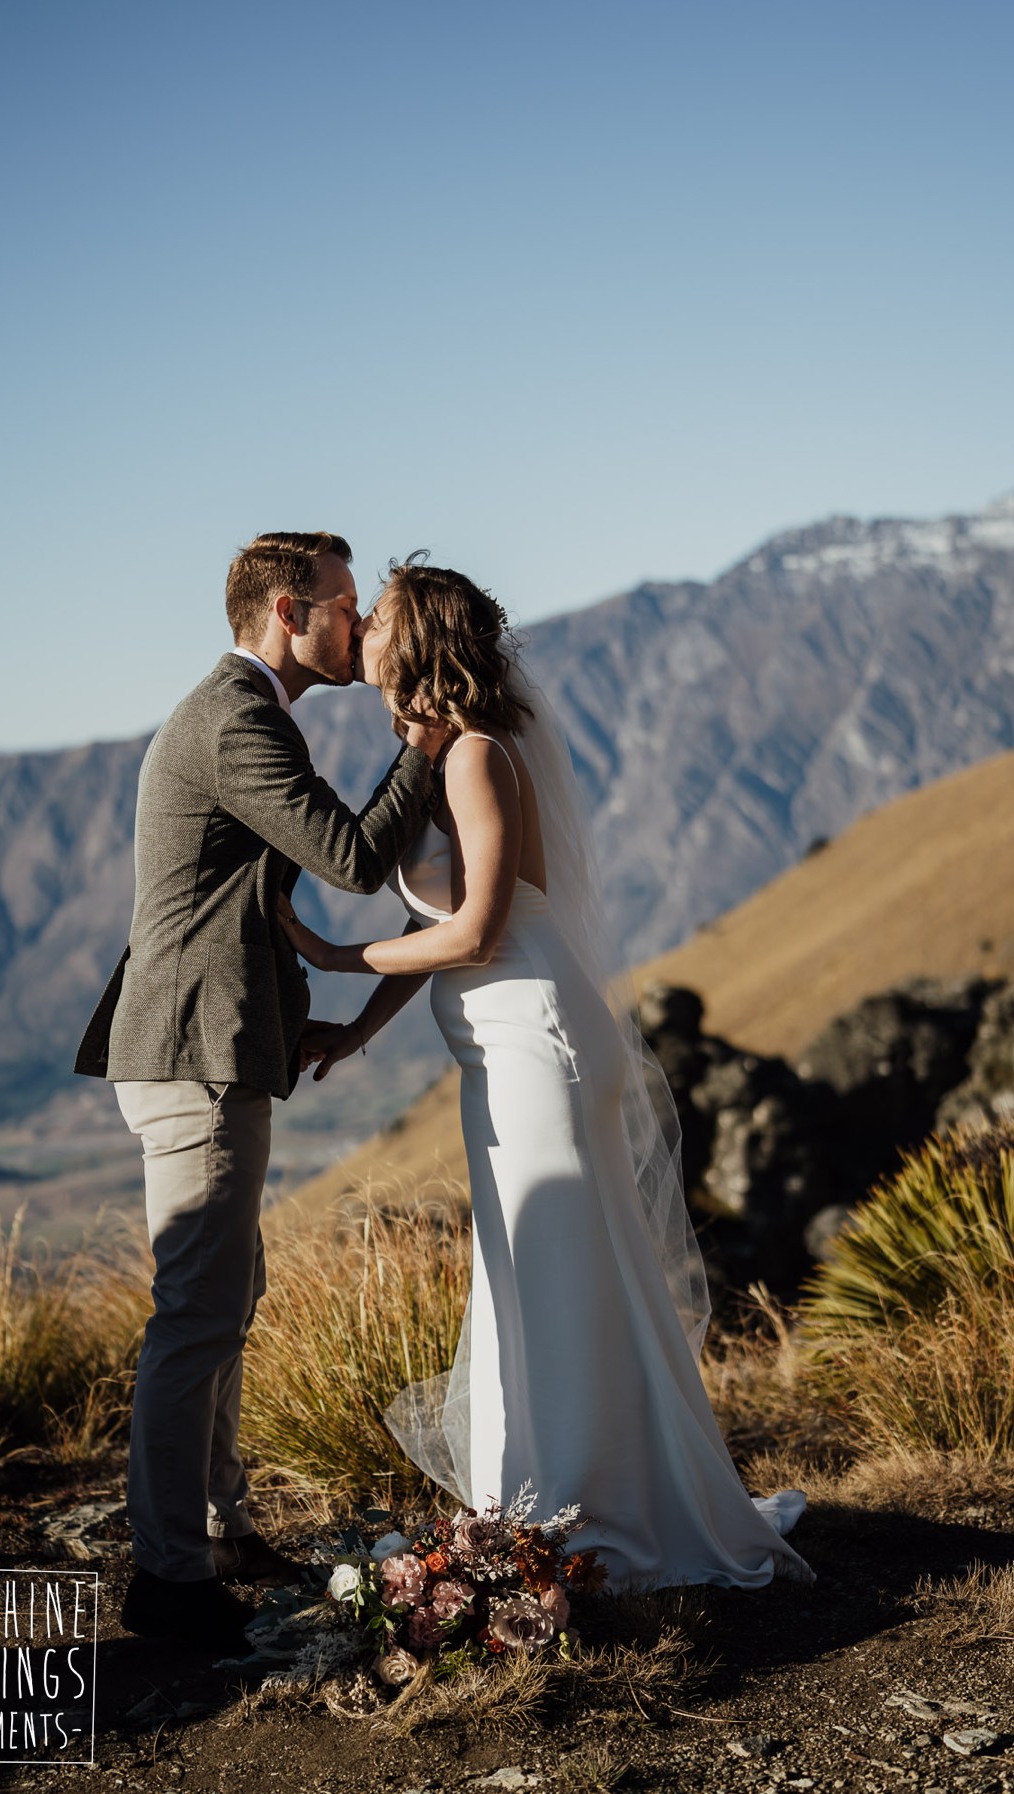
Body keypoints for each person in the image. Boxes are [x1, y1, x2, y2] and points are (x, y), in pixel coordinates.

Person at [280, 557, 811, 1589]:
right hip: (508, 1048)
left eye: (376, 616)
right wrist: (355, 1028)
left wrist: (337, 958)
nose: (360, 628)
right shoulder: (453, 751)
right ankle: (556, 1498)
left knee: (560, 1266)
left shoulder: (476, 755)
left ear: (414, 640)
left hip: (540, 1046)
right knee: (538, 1268)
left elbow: (476, 931)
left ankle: (587, 1511)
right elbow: (433, 919)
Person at [74, 531, 448, 1653]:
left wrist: (304, 1018)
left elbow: (245, 908)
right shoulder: (234, 719)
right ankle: (169, 1579)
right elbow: (345, 857)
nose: (361, 627)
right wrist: (423, 748)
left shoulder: (245, 715)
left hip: (211, 1050)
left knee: (224, 1302)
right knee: (196, 1315)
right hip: (192, 1057)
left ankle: (214, 1531)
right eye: (346, 604)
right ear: (290, 611)